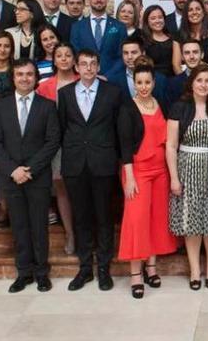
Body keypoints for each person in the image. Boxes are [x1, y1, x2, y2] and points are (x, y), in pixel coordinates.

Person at [0, 59, 61, 293]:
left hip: (37, 177)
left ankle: (41, 273)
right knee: (18, 226)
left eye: (29, 74)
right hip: (11, 177)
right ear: (13, 78)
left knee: (39, 226)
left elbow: (52, 142)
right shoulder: (1, 106)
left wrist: (29, 169)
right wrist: (13, 170)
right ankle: (24, 273)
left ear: (36, 78)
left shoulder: (47, 106)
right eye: (20, 74)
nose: (24, 78)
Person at [58, 49, 124, 292]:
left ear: (98, 67)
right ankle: (85, 268)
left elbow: (119, 129)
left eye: (92, 64)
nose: (87, 68)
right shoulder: (65, 94)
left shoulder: (112, 92)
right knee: (81, 217)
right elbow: (63, 127)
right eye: (83, 64)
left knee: (104, 217)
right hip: (75, 164)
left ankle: (104, 268)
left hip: (103, 162)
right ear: (76, 67)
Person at [167, 64, 208, 290]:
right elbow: (171, 145)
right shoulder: (179, 107)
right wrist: (174, 178)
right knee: (191, 220)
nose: (203, 85)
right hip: (187, 169)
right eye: (199, 80)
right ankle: (195, 268)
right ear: (192, 83)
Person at [116, 64, 178, 299]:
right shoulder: (127, 108)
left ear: (154, 83)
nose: (143, 87)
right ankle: (135, 274)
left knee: (155, 219)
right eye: (139, 82)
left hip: (160, 170)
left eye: (147, 82)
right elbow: (124, 146)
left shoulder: (159, 104)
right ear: (134, 83)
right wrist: (129, 177)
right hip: (138, 172)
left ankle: (151, 267)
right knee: (137, 220)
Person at [35, 43, 78, 255]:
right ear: (54, 60)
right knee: (61, 188)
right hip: (56, 144)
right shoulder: (44, 87)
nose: (63, 58)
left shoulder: (84, 81)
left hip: (80, 144)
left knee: (81, 188)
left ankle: (84, 232)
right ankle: (70, 233)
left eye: (68, 55)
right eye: (59, 55)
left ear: (74, 59)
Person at [69, 0, 128, 75]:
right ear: (88, 0)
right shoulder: (77, 27)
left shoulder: (119, 26)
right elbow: (76, 55)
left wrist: (108, 76)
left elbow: (123, 56)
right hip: (86, 79)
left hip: (113, 81)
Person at [141, 4, 182, 77]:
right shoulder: (143, 39)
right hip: (151, 81)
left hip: (172, 80)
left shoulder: (174, 38)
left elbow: (177, 65)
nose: (157, 21)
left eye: (160, 17)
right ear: (147, 21)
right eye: (153, 18)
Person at [178, 0, 208, 64]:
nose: (194, 12)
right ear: (186, 14)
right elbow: (176, 65)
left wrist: (206, 75)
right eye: (190, 10)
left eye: (198, 9)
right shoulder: (178, 36)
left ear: (203, 12)